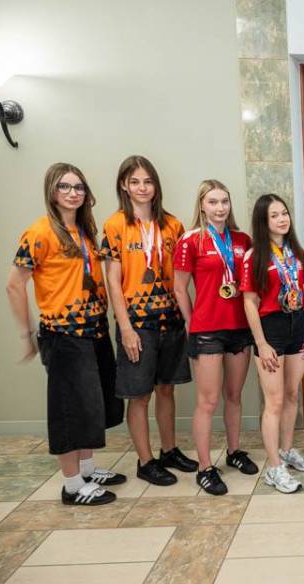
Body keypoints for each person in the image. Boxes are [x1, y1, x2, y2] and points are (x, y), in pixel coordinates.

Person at [6, 163, 126, 506]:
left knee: (92, 405)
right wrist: (27, 334)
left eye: (79, 187)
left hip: (94, 329)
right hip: (64, 335)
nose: (73, 193)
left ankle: (87, 469)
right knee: (70, 410)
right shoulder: (39, 232)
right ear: (52, 191)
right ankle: (72, 485)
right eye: (65, 186)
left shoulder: (84, 231)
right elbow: (14, 285)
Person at [101, 156, 197, 487]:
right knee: (140, 396)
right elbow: (113, 281)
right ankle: (145, 461)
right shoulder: (115, 225)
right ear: (123, 186)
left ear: (156, 186)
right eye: (135, 182)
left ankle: (168, 450)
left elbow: (183, 276)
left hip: (171, 320)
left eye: (148, 181)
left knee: (166, 389)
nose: (142, 188)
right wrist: (126, 328)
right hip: (137, 323)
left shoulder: (173, 225)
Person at [173, 180, 257, 495]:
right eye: (213, 202)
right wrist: (191, 322)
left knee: (234, 395)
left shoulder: (243, 239)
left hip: (239, 328)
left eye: (224, 201)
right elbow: (179, 287)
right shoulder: (190, 240)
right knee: (207, 401)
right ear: (202, 205)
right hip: (207, 330)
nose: (220, 208)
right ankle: (205, 467)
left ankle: (234, 452)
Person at [240, 194, 304, 493]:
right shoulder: (254, 256)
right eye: (274, 215)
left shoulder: (295, 251)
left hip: (297, 324)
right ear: (263, 221)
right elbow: (249, 302)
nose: (282, 219)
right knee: (274, 401)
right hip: (270, 328)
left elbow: (303, 290)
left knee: (292, 394)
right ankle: (273, 468)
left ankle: (286, 451)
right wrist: (261, 343)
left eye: (284, 213)